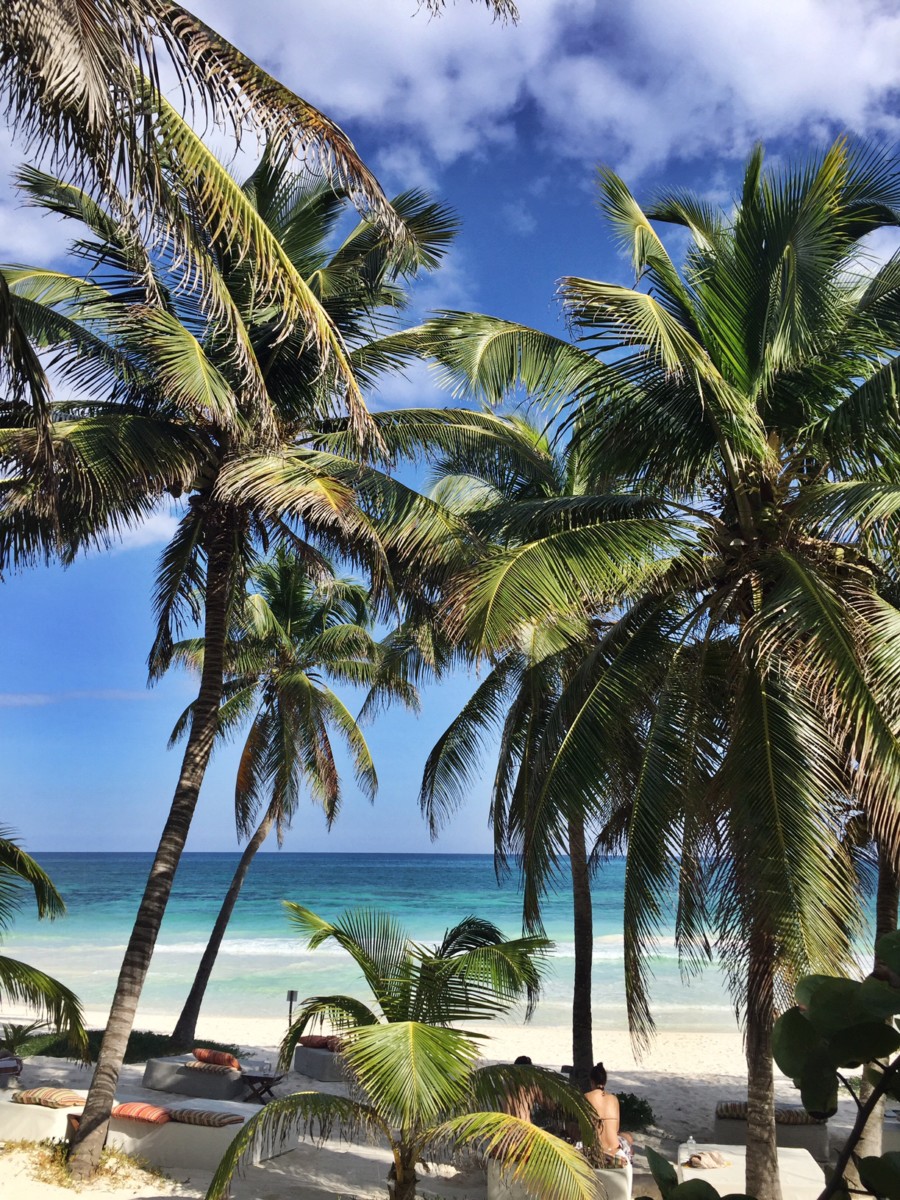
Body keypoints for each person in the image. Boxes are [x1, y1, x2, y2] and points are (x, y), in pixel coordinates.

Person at [584, 1062, 634, 1165]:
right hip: (614, 1150)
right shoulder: (614, 1099)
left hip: (595, 1151)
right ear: (605, 1082)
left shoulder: (586, 1097)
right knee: (628, 1136)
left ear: (591, 1082)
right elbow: (616, 1129)